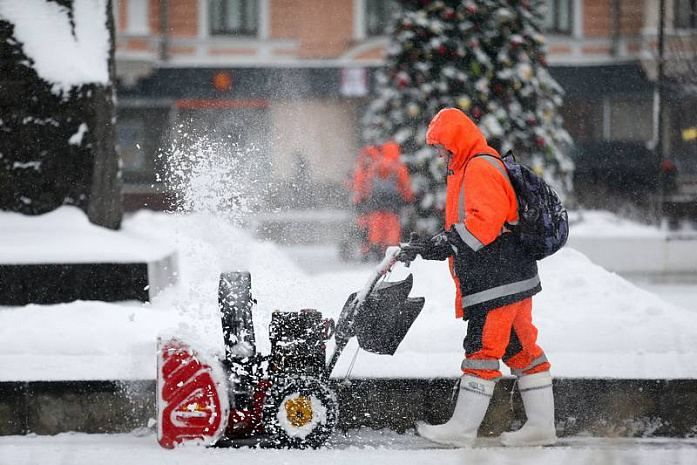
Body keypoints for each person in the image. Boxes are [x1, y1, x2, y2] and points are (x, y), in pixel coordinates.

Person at [399, 108, 556, 447]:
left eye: (442, 146)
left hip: (496, 280)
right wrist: (434, 245)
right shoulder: (471, 165)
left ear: (456, 142)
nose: (439, 154)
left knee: (483, 348)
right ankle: (542, 426)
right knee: (521, 348)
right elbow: (473, 223)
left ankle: (462, 429)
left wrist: (441, 244)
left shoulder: (479, 167)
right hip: (512, 275)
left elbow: (482, 225)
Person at [364, 141, 414, 259]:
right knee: (392, 225)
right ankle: (390, 249)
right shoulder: (398, 167)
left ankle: (375, 246)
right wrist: (408, 198)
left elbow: (367, 183)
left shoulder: (374, 165)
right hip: (392, 201)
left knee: (376, 223)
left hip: (376, 201)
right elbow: (405, 185)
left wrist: (366, 197)